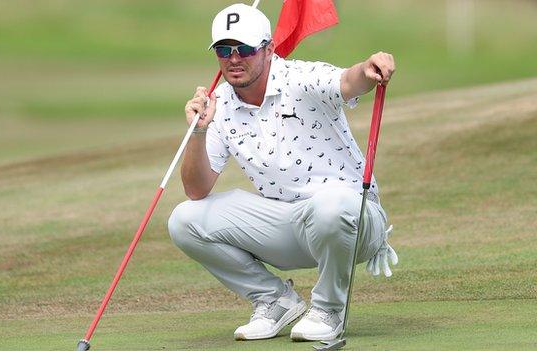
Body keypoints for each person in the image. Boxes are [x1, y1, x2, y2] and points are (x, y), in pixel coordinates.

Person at [168, 3, 398, 342]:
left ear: (268, 49)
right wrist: (199, 131)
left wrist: (368, 68)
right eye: (224, 50)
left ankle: (329, 310)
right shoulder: (218, 104)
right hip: (290, 226)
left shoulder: (300, 77)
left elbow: (348, 81)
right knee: (184, 220)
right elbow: (196, 189)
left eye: (245, 49)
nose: (234, 59)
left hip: (355, 221)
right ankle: (274, 301)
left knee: (331, 206)